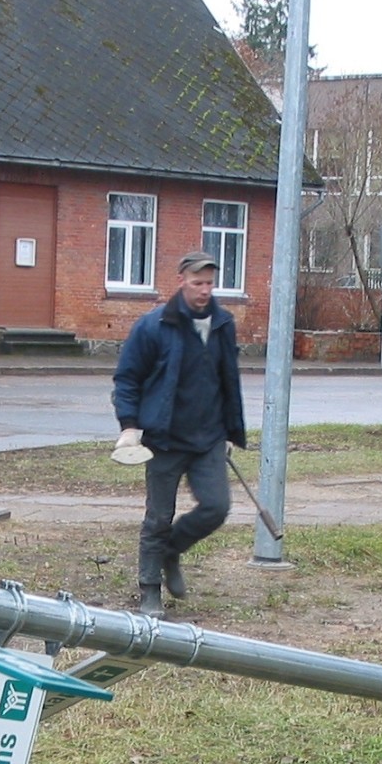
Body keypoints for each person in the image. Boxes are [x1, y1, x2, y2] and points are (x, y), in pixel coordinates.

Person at [111, 249, 246, 617]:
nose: (204, 290)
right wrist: (129, 425)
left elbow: (227, 380)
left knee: (217, 507)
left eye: (209, 283)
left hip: (208, 439)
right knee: (158, 517)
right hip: (164, 439)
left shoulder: (222, 324)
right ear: (182, 281)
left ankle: (171, 550)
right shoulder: (154, 325)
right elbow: (127, 378)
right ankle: (149, 589)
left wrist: (232, 429)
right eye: (197, 282)